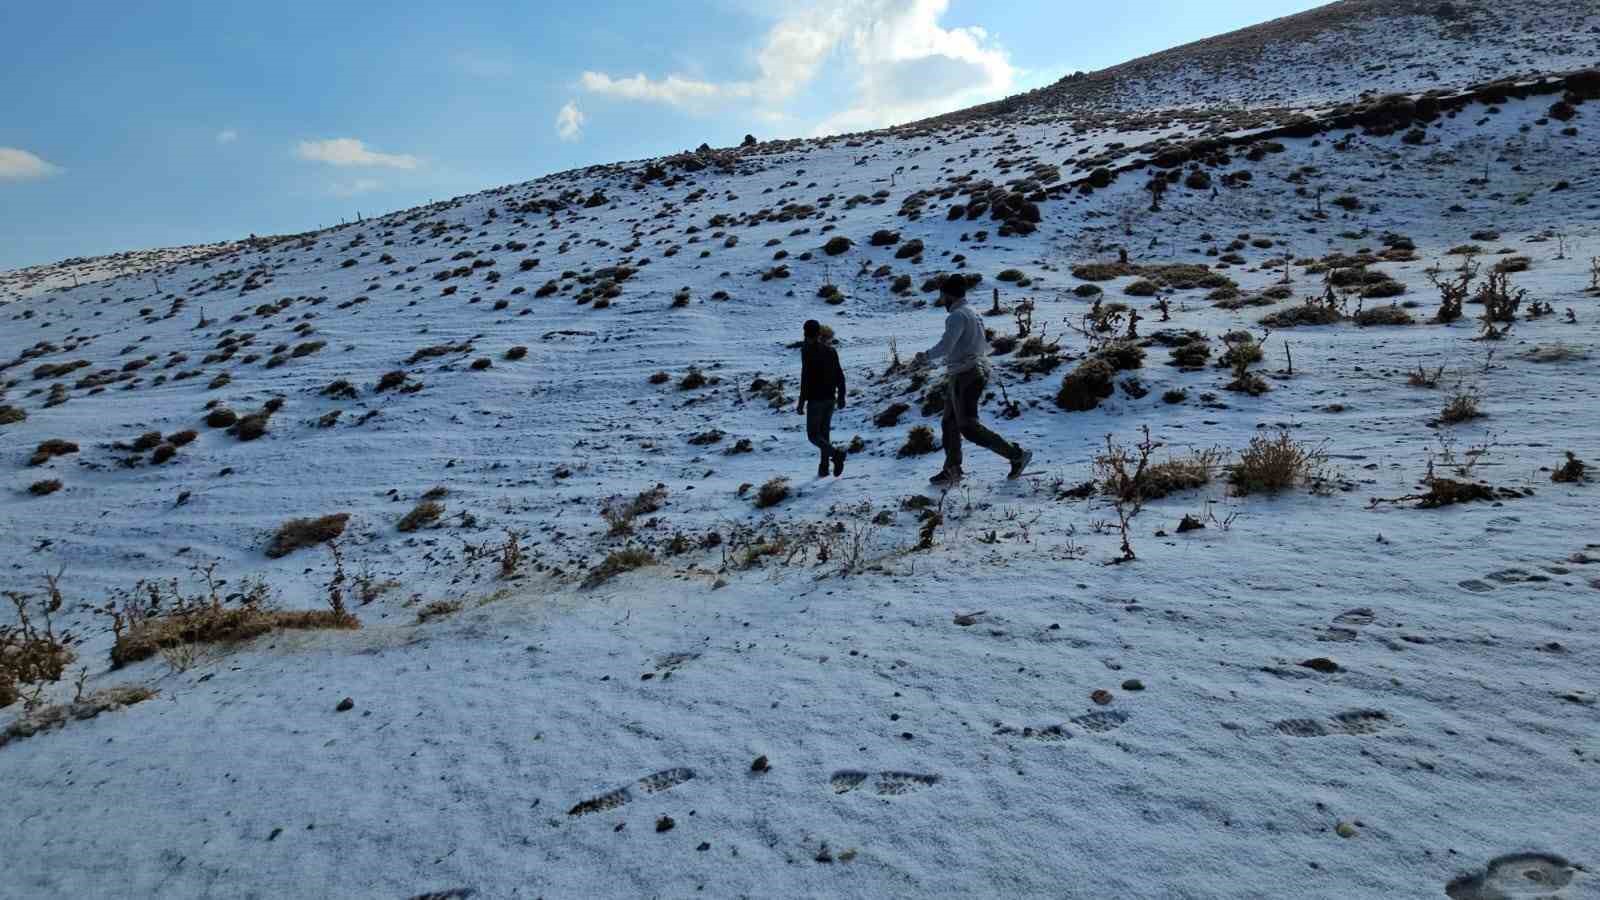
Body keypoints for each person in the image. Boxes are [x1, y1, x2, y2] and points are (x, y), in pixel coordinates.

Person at [914, 274, 1032, 486]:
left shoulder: (957, 316)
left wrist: (924, 356)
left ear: (948, 294)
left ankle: (1016, 455)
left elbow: (946, 346)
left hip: (965, 373)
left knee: (968, 426)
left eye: (942, 295)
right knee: (949, 422)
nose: (942, 300)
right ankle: (952, 469)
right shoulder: (971, 311)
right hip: (969, 370)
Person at [797, 319, 847, 478]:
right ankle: (824, 468)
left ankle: (836, 454)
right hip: (830, 399)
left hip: (816, 400)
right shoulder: (831, 351)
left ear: (806, 334)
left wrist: (801, 402)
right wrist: (841, 396)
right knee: (824, 435)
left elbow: (805, 378)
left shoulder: (807, 351)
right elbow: (840, 375)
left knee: (813, 436)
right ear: (819, 333)